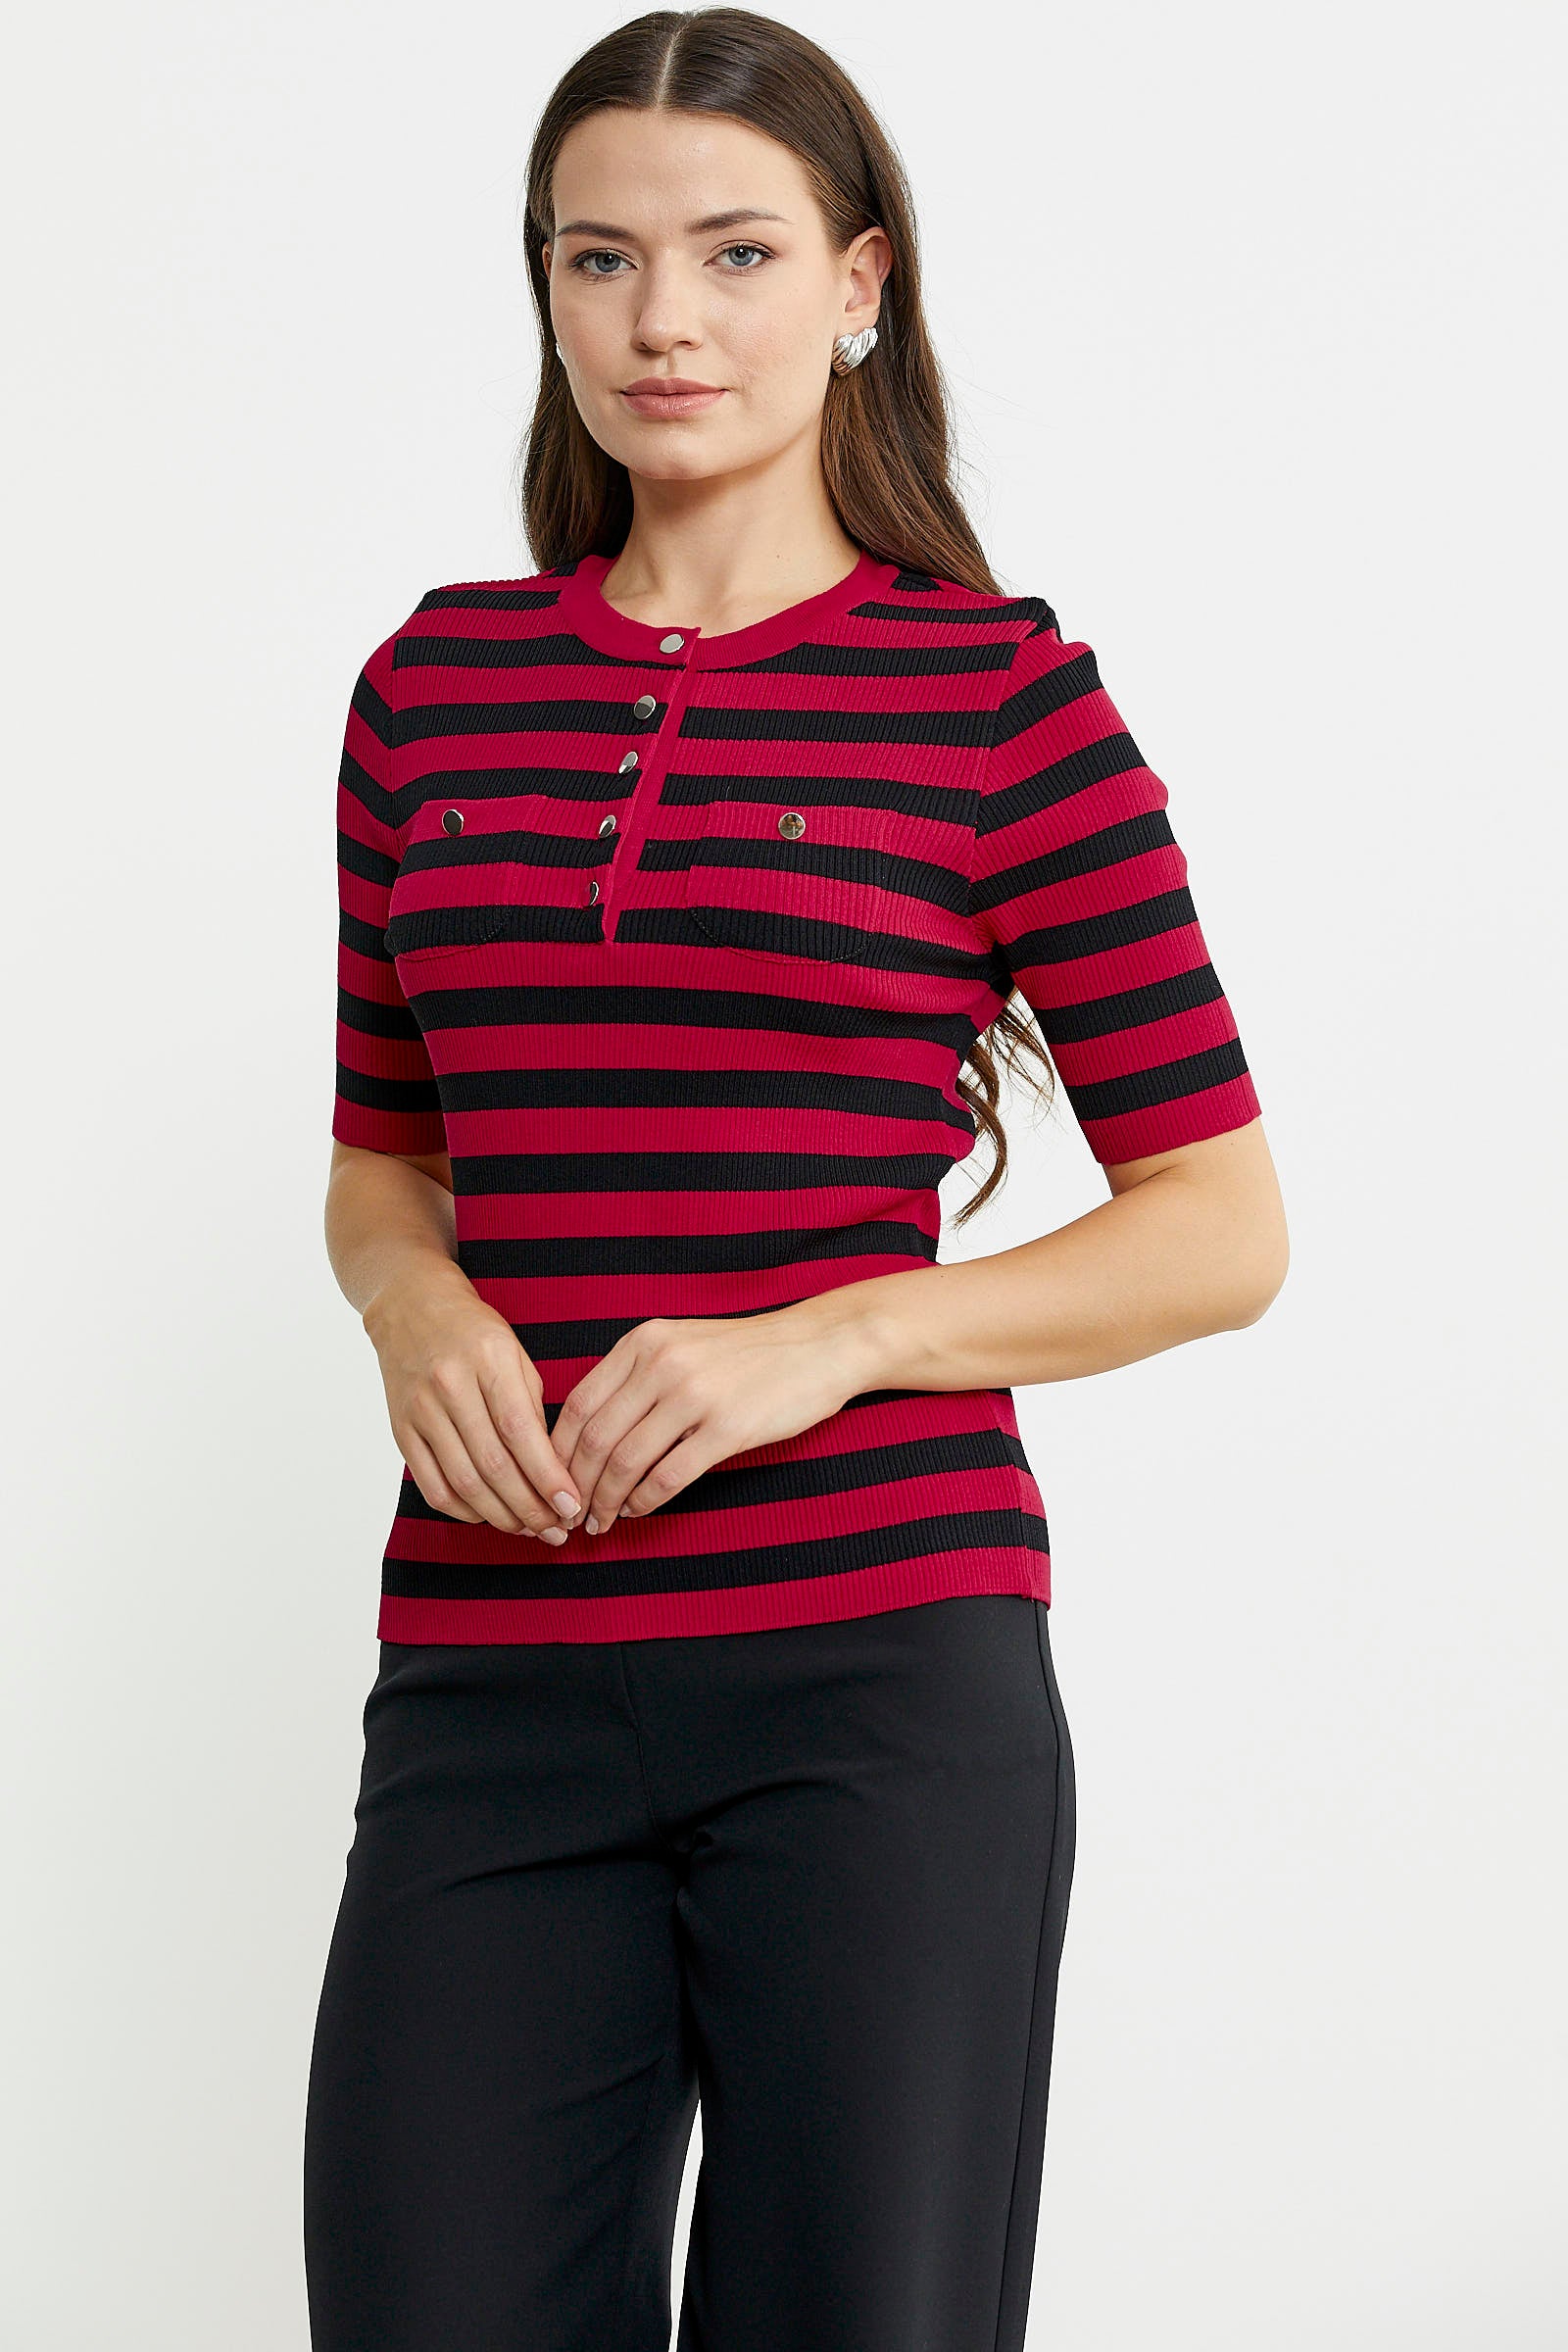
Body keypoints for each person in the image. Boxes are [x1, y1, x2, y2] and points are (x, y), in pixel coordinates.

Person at [304, 10, 1289, 2347]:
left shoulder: (997, 705)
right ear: (545, 291)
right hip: (486, 1677)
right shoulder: (432, 693)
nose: (664, 318)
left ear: (856, 286)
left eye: (735, 253)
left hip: (874, 1687)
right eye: (601, 258)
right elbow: (381, 1162)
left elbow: (1218, 1225)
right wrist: (412, 1304)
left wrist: (828, 1338)